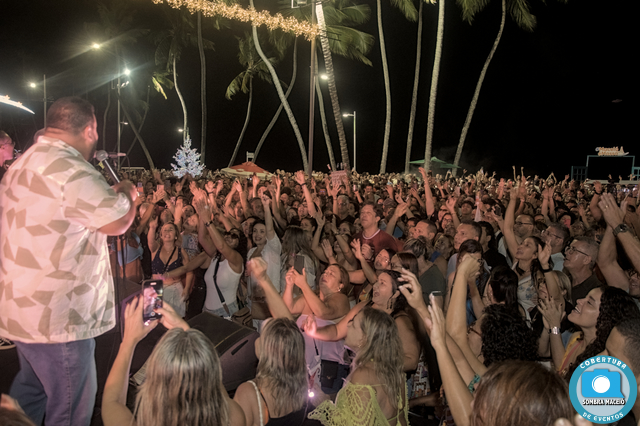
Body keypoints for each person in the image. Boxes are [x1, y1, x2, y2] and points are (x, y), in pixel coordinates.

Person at [0, 97, 137, 426]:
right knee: (72, 408)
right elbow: (118, 221)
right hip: (59, 320)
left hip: (24, 312)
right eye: (96, 131)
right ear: (90, 129)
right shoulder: (71, 169)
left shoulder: (23, 163)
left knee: (32, 393)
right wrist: (128, 194)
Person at [101, 298, 245, 426]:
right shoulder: (235, 418)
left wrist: (129, 341)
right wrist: (185, 330)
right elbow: (212, 382)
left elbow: (112, 401)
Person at [308, 307, 409, 426]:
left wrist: (323, 404)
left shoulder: (363, 375)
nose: (348, 325)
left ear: (364, 339)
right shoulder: (394, 370)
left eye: (353, 324)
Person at [148, 220, 192, 317]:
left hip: (175, 290)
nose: (167, 232)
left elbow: (189, 270)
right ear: (161, 235)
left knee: (175, 320)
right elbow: (150, 242)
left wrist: (187, 288)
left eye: (170, 229)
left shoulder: (181, 251)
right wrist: (152, 228)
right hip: (157, 290)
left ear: (176, 235)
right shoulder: (156, 249)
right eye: (164, 230)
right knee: (157, 320)